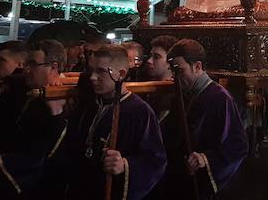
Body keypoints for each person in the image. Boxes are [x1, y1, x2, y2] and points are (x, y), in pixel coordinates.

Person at [61, 45, 166, 200]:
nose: (92, 77)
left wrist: (125, 164)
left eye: (101, 71)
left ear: (121, 74)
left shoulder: (139, 112)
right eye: (92, 70)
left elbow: (155, 161)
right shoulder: (89, 105)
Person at [0, 40, 68, 198]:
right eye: (27, 63)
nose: (27, 69)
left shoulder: (65, 100)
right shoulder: (21, 89)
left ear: (54, 67)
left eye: (33, 64)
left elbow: (46, 153)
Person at [158, 39, 248, 199]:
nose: (174, 77)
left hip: (202, 179)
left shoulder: (220, 98)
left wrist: (206, 158)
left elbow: (238, 145)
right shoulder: (183, 94)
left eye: (180, 71)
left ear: (197, 66)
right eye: (173, 71)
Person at [141, 35, 177, 123]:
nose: (149, 61)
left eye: (156, 57)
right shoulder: (144, 86)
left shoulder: (174, 95)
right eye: (150, 56)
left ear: (170, 62)